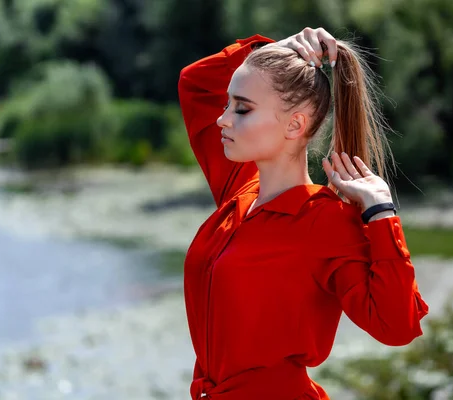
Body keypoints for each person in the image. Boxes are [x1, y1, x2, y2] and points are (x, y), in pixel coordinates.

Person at [178, 27, 429, 400]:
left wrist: (380, 213)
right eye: (228, 104)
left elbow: (397, 325)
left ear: (295, 124)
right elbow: (195, 82)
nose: (223, 119)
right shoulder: (239, 189)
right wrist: (274, 50)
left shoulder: (323, 220)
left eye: (242, 108)